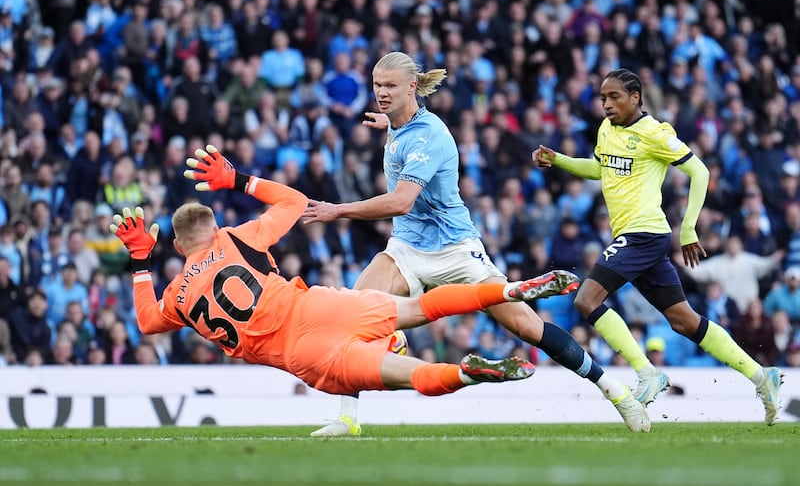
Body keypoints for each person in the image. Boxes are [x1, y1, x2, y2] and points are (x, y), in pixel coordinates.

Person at [302, 51, 650, 436]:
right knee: (354, 313)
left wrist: (337, 211)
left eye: (390, 87)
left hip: (455, 251)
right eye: (377, 86)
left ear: (411, 88)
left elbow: (401, 201)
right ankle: (348, 419)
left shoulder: (428, 136)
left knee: (528, 328)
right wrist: (391, 120)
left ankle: (615, 391)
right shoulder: (400, 123)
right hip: (406, 249)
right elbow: (405, 132)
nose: (381, 93)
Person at [109, 145, 579, 406]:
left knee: (413, 377)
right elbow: (294, 202)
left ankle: (467, 373)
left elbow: (148, 323)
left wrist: (140, 264)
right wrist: (239, 181)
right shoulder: (237, 238)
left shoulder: (176, 294)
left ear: (177, 246)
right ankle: (511, 288)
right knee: (416, 308)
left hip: (301, 353)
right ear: (213, 227)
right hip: (317, 305)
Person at [532, 68, 784, 425]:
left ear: (636, 97)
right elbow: (601, 170)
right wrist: (559, 160)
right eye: (603, 97)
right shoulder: (607, 130)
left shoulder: (654, 133)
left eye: (614, 97)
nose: (606, 104)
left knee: (586, 300)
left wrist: (689, 229)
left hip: (643, 234)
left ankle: (647, 373)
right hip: (635, 237)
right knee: (684, 321)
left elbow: (700, 172)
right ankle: (763, 377)